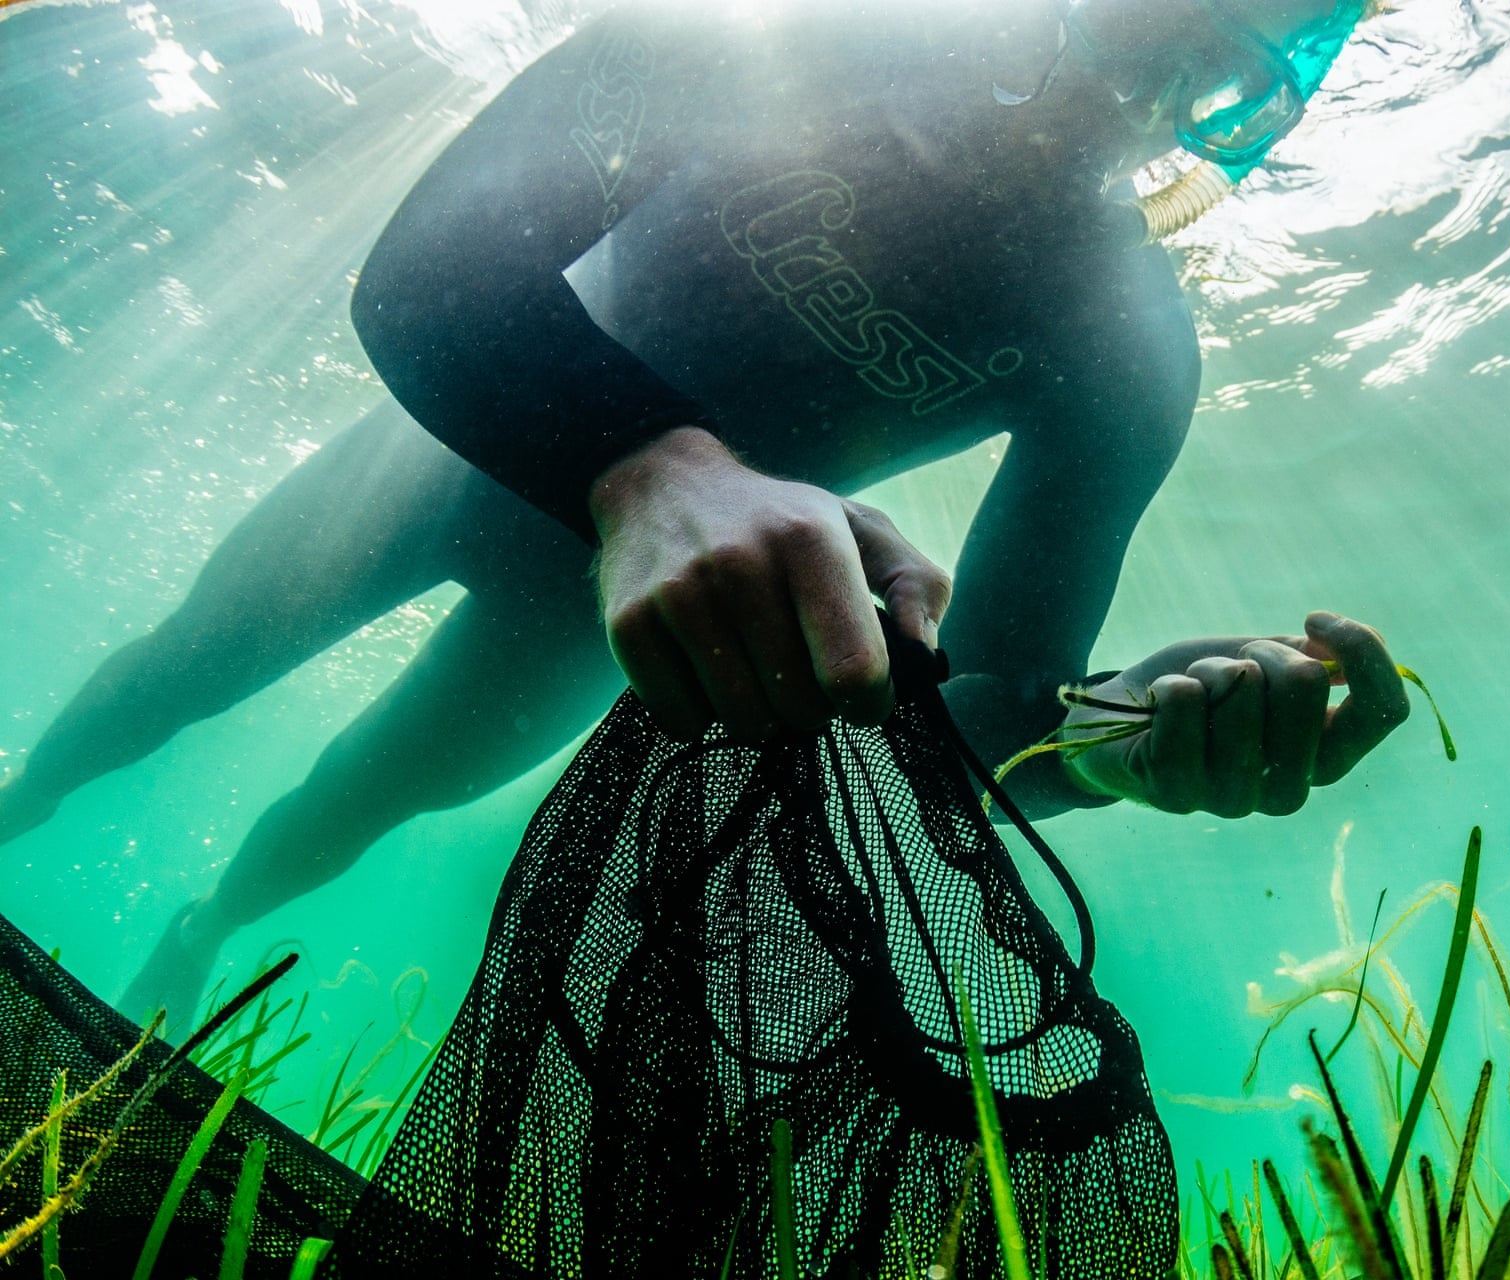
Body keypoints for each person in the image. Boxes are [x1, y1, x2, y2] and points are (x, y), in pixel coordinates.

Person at [348, 0, 1408, 816]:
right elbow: (438, 275)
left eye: (1217, 83)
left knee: (344, 813)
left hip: (635, 596)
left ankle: (199, 933)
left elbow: (966, 731)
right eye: (1150, 23)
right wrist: (656, 468)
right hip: (455, 460)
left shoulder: (1121, 344)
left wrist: (1102, 732)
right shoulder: (800, 32)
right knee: (184, 670)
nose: (1143, 94)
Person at [0, 401, 628, 1020]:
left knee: (373, 794)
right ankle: (22, 801)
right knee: (194, 661)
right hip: (487, 421)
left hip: (608, 560)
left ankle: (201, 930)